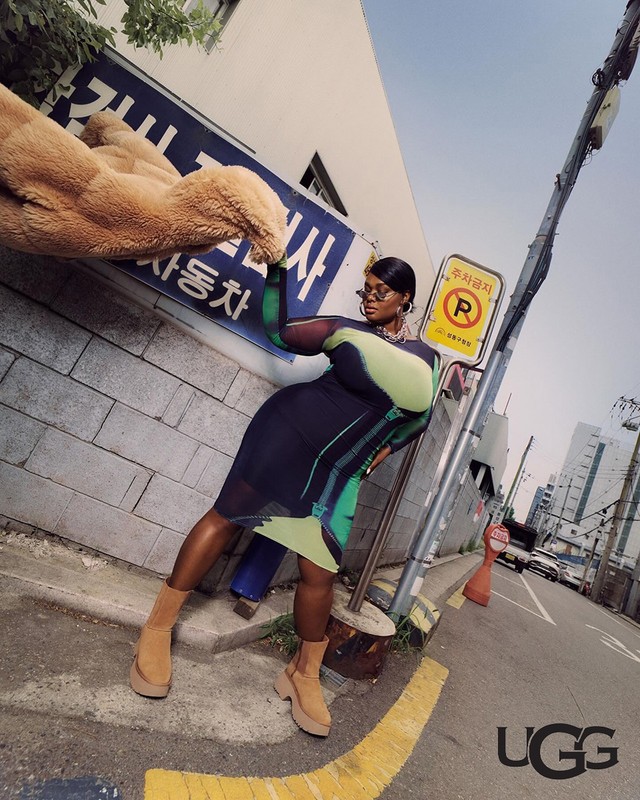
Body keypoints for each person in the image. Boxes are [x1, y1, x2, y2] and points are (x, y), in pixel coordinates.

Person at [129, 253, 439, 737]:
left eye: (380, 291)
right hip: (287, 434)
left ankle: (302, 674)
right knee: (227, 517)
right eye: (365, 290)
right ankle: (157, 627)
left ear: (405, 298)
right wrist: (277, 267)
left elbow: (418, 422)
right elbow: (278, 331)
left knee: (321, 571)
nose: (369, 298)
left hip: (340, 473)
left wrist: (373, 459)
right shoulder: (344, 331)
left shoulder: (428, 359)